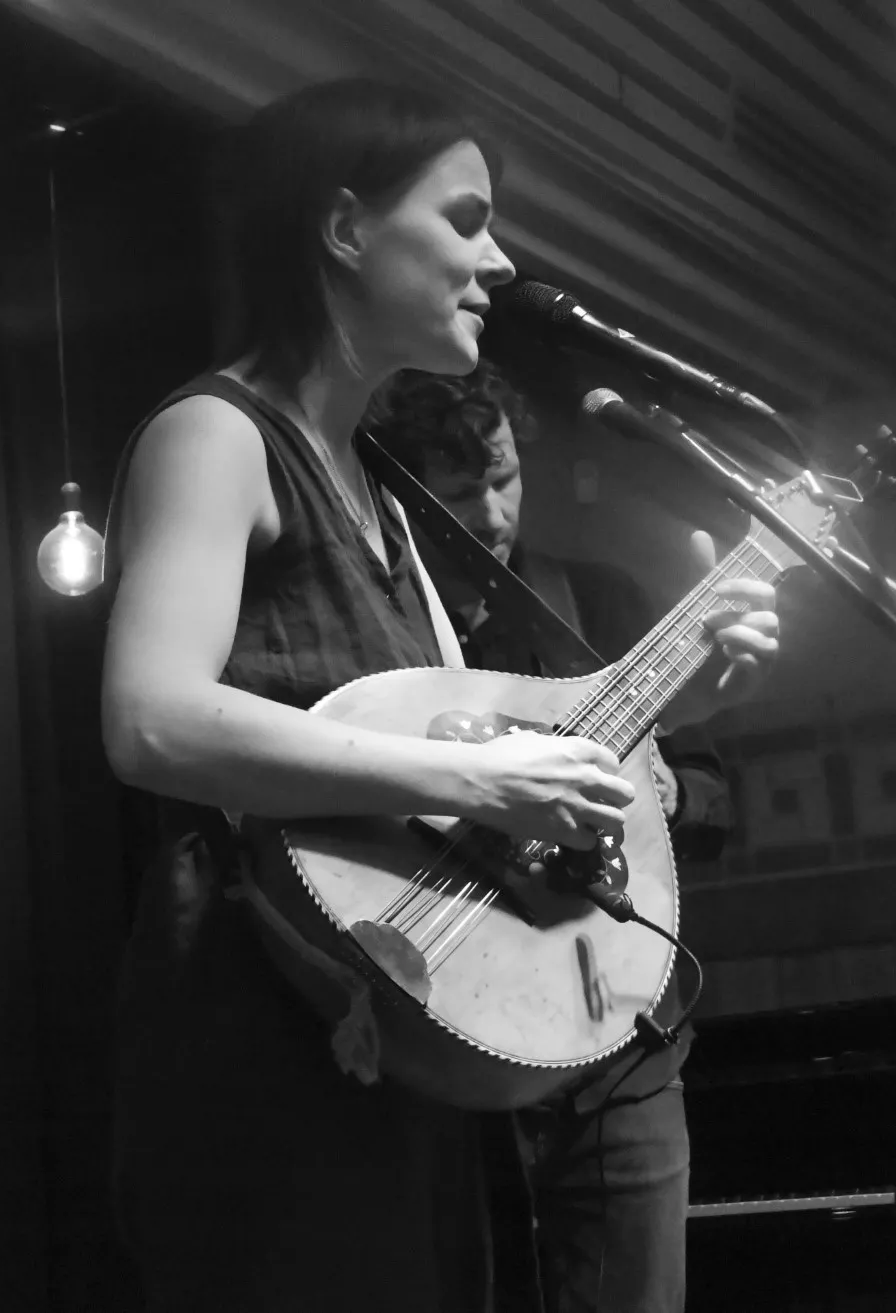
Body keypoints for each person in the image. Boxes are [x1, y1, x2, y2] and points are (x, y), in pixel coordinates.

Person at [97, 79, 779, 1313]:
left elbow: (470, 747)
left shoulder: (389, 501)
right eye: (465, 218)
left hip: (384, 1035)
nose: (499, 260)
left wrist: (680, 696)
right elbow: (150, 718)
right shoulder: (215, 436)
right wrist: (480, 777)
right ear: (345, 229)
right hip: (262, 1031)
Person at [369, 364, 734, 1313]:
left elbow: (716, 796)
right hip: (453, 1038)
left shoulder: (597, 604)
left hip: (621, 1048)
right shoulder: (386, 637)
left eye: (504, 476)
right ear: (406, 499)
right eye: (461, 493)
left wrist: (669, 791)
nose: (492, 513)